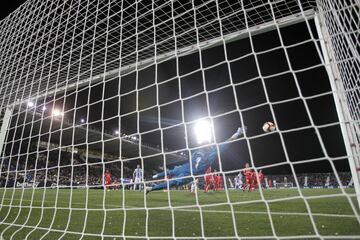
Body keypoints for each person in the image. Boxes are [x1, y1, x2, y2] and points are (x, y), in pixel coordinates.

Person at [146, 127, 247, 193]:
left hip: (189, 171)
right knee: (172, 176)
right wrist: (238, 133)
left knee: (172, 177)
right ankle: (153, 180)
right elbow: (227, 142)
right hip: (188, 170)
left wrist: (237, 133)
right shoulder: (206, 151)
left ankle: (152, 184)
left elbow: (227, 142)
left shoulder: (206, 151)